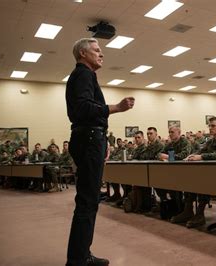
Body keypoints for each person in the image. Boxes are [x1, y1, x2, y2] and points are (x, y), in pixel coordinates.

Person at [65, 37, 135, 266]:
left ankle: (81, 254)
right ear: (83, 54)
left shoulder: (84, 75)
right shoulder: (84, 74)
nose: (101, 53)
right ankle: (78, 259)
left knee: (89, 199)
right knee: (87, 201)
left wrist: (103, 143)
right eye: (96, 50)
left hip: (90, 139)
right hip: (89, 138)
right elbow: (84, 108)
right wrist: (116, 107)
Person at [171, 116, 216, 228]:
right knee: (190, 180)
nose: (210, 128)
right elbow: (200, 151)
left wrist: (201, 157)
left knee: (202, 182)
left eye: (213, 126)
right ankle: (188, 211)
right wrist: (191, 156)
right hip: (210, 173)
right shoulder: (210, 141)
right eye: (209, 126)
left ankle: (200, 214)